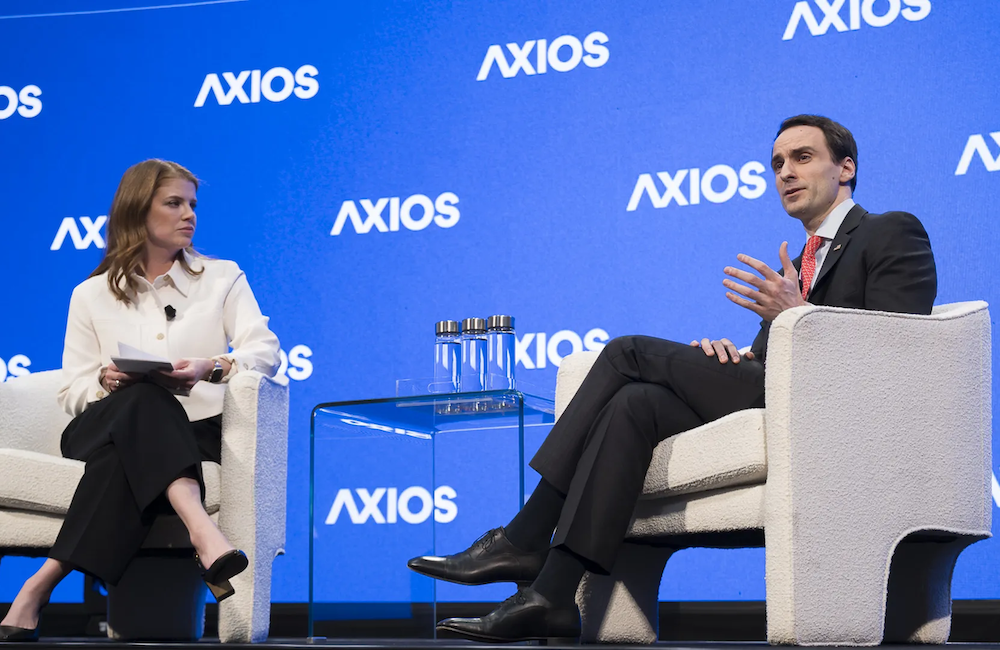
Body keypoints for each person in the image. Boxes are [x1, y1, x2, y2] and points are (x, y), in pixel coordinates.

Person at [407, 115, 938, 642]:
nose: (785, 173)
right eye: (777, 163)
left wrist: (796, 314)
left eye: (802, 158)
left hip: (825, 405)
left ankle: (523, 535)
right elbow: (773, 350)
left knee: (624, 353)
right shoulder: (799, 259)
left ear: (845, 168)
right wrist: (733, 353)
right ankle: (551, 595)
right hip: (771, 389)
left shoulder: (891, 229)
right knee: (634, 403)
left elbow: (894, 351)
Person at [0, 160, 281, 642]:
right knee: (143, 395)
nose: (188, 214)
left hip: (193, 432)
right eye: (174, 203)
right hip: (101, 426)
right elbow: (72, 390)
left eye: (193, 204)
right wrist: (108, 382)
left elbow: (265, 352)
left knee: (126, 456)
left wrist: (207, 367)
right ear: (137, 211)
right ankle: (203, 531)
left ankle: (37, 587)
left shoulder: (222, 278)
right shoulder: (90, 295)